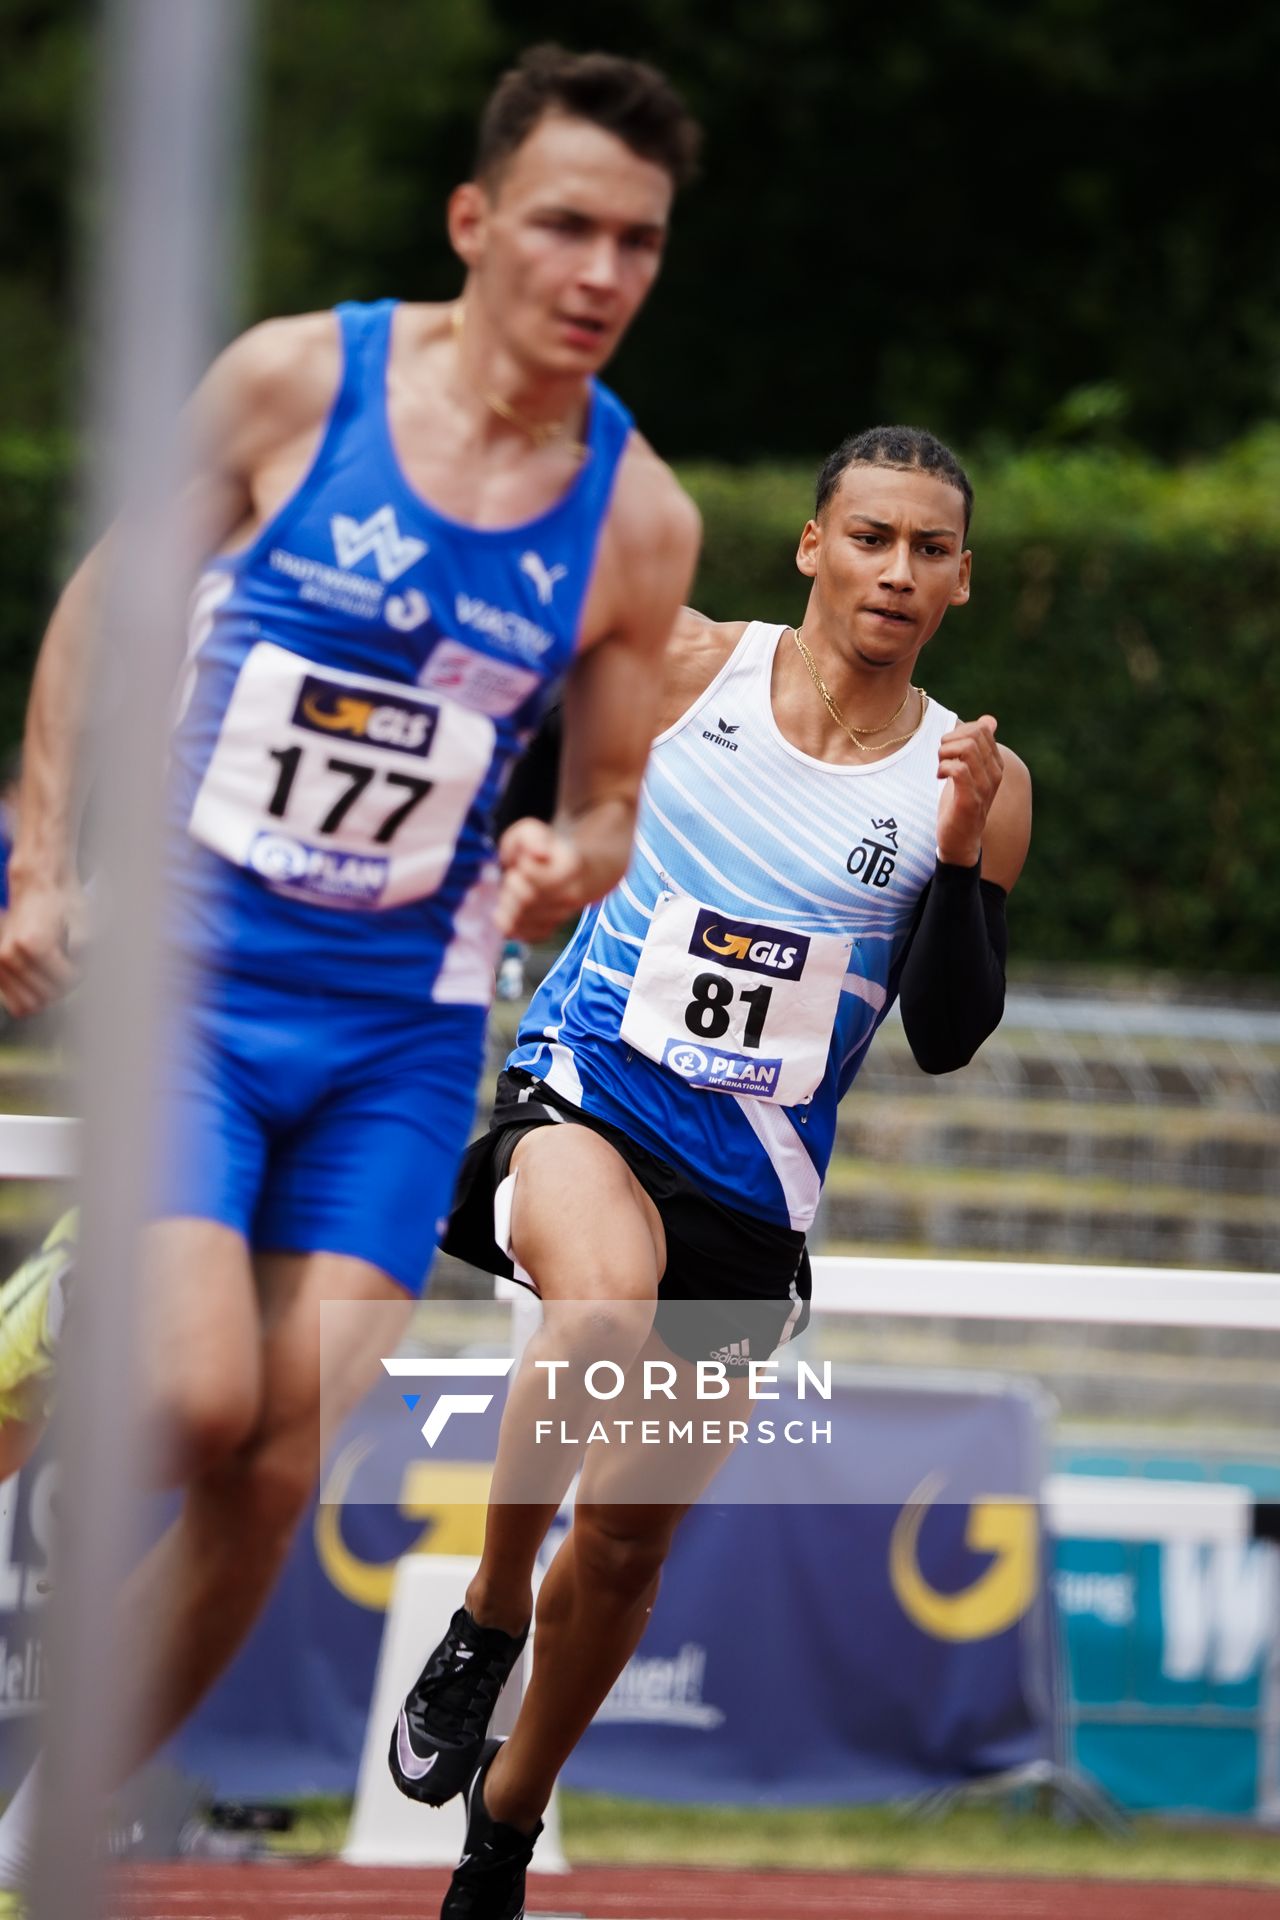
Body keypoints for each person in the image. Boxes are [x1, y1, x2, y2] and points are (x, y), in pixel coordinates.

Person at [0, 43, 701, 1899]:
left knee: (277, 1467)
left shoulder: (638, 522)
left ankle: (38, 1833)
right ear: (476, 223)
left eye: (636, 240)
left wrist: (579, 851)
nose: (600, 272)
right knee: (199, 1394)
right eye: (565, 224)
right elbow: (107, 597)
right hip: (196, 989)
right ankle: (62, 1316)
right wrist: (47, 852)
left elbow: (619, 788)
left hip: (403, 1040)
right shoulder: (302, 382)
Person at [391, 425, 1033, 1919]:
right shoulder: (691, 669)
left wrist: (947, 857)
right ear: (813, 546)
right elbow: (520, 774)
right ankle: (485, 1616)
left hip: (749, 1198)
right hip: (586, 1102)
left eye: (928, 549)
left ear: (959, 586)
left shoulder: (979, 782)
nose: (895, 569)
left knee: (618, 1553)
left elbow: (946, 1035)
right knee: (599, 1316)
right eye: (870, 536)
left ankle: (506, 1825)